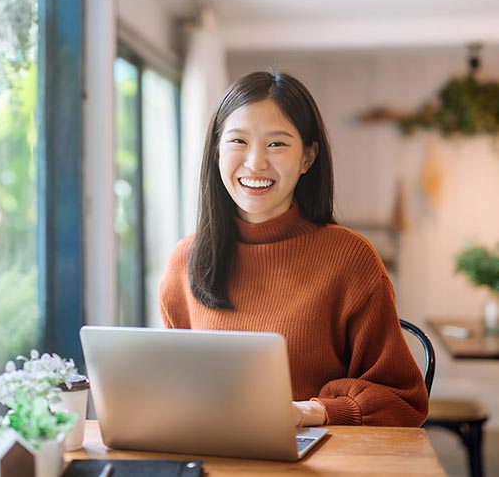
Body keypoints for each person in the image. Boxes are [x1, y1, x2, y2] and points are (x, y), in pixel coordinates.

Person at [159, 71, 428, 427]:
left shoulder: (350, 258)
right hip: (211, 452)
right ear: (216, 152)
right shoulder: (186, 260)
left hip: (317, 459)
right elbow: (171, 385)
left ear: (308, 158)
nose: (255, 163)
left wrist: (312, 411)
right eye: (238, 141)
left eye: (277, 144)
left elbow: (404, 400)